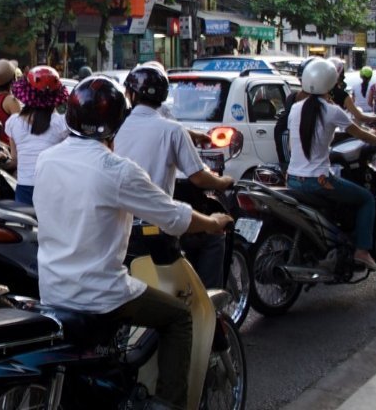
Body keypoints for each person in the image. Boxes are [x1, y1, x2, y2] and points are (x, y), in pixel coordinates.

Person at [32, 76, 232, 409]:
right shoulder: (117, 170)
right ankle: (168, 403)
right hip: (99, 293)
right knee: (180, 316)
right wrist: (212, 223)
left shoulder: (47, 158)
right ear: (116, 123)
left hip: (52, 289)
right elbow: (173, 216)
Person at [115, 65, 235, 289]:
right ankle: (210, 301)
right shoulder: (172, 130)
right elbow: (199, 178)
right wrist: (223, 181)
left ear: (131, 95)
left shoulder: (116, 128)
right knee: (214, 236)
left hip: (121, 224)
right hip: (156, 226)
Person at [288, 60, 376, 272]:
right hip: (318, 181)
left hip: (292, 178)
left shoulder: (295, 109)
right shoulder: (332, 110)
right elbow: (361, 133)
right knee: (366, 199)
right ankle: (362, 251)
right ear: (332, 83)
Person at [5, 66, 69, 205]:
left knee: (23, 226)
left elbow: (15, 158)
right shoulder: (61, 123)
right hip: (52, 188)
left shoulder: (13, 122)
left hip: (24, 189)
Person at [329, 57, 376, 125]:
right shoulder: (343, 95)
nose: (344, 77)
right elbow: (360, 117)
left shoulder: (321, 94)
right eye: (342, 73)